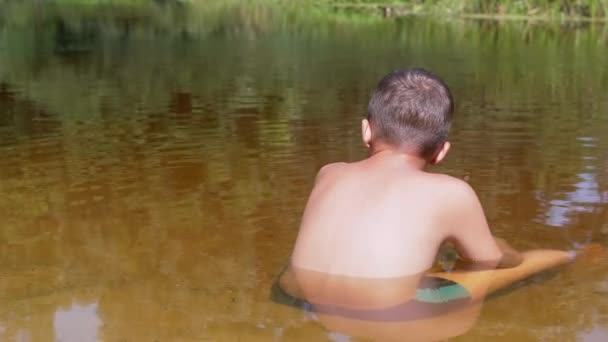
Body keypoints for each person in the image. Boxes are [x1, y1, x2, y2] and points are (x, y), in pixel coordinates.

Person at [276, 68, 572, 314]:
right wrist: (506, 249)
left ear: (366, 130)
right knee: (518, 264)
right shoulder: (452, 193)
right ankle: (576, 257)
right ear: (441, 152)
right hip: (387, 315)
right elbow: (492, 262)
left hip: (294, 298)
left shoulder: (329, 173)